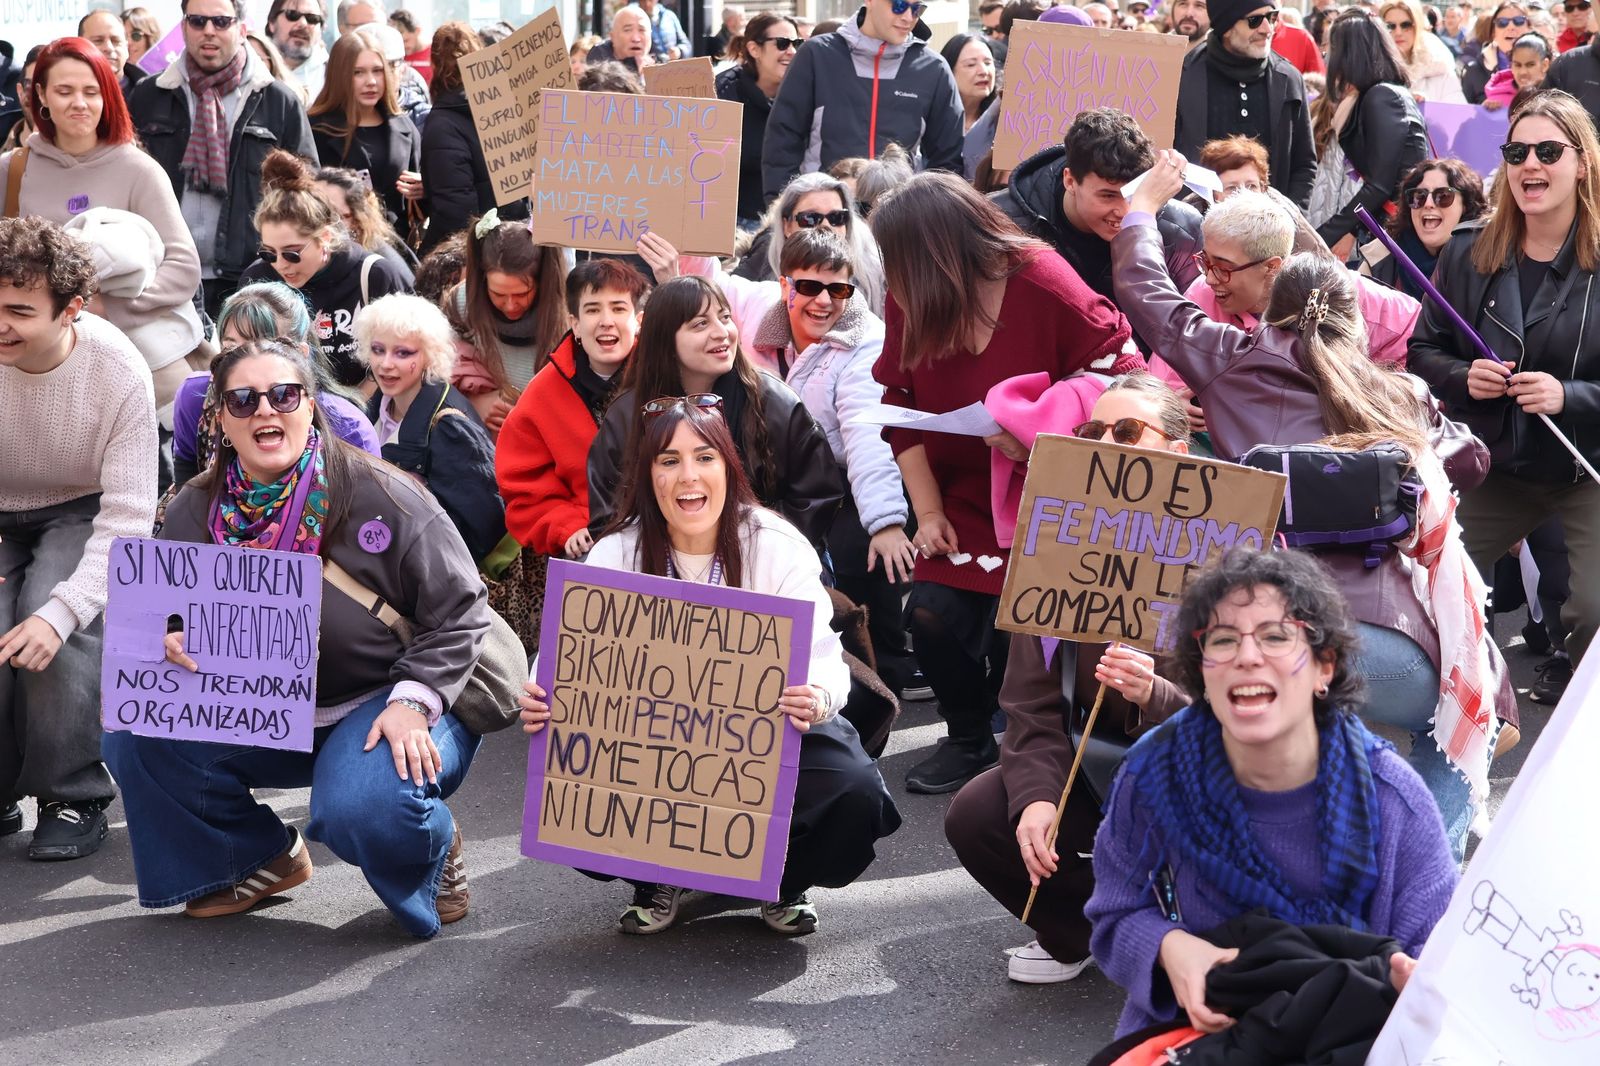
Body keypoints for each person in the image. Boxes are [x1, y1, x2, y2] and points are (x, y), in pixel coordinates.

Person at [1117, 151, 1513, 860]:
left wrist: (1142, 209)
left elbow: (1143, 285)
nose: (1210, 280)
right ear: (1352, 319)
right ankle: (1430, 882)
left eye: (1220, 269)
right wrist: (1401, 469)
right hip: (1400, 655)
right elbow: (1473, 460)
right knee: (1445, 733)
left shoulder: (1227, 359)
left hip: (1281, 645)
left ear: (1273, 298)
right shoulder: (1396, 393)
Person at [105, 338, 489, 937]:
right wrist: (167, 635)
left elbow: (463, 610)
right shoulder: (189, 511)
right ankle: (251, 857)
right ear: (220, 418)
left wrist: (415, 702)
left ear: (310, 405)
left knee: (364, 807)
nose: (266, 410)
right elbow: (149, 622)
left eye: (284, 394)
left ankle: (429, 840)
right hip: (263, 713)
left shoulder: (384, 494)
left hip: (386, 700)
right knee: (134, 732)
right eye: (243, 398)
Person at [520, 398, 899, 936]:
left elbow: (822, 654)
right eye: (668, 461)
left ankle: (783, 879)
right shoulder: (615, 553)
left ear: (728, 467)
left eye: (704, 457)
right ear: (647, 476)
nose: (688, 476)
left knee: (850, 787)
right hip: (649, 738)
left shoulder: (776, 545)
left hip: (769, 729)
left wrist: (817, 695)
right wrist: (541, 693)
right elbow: (566, 653)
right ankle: (654, 875)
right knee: (573, 771)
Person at [1085, 548, 1458, 1036]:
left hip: (1348, 1037)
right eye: (1222, 641)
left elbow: (1440, 964)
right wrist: (1169, 947)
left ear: (1325, 667)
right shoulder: (1154, 772)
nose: (1247, 656)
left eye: (1276, 637)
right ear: (1201, 671)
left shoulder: (1393, 800)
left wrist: (1408, 986)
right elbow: (1114, 915)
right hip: (1195, 1036)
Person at [872, 172, 1144, 795]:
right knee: (933, 614)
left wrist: (1044, 428)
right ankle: (967, 736)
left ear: (937, 252)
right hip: (960, 494)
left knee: (1023, 626)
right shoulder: (910, 296)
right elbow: (901, 407)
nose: (893, 278)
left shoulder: (1041, 279)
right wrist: (929, 514)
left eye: (900, 261)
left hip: (1053, 487)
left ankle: (1030, 745)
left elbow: (1125, 374)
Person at [945, 374, 1194, 985]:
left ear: (1179, 453)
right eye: (1093, 432)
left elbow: (1262, 713)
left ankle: (1197, 932)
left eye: (1128, 431)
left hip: (1206, 778)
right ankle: (1090, 933)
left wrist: (1156, 694)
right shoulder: (1056, 549)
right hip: (1101, 771)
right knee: (980, 813)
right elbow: (1028, 704)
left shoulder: (1235, 549)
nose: (1107, 443)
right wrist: (1034, 799)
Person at [645, 227, 918, 693]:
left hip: (833, 491)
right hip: (680, 548)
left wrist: (884, 522)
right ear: (784, 286)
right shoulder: (637, 410)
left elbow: (863, 439)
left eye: (839, 289)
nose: (824, 301)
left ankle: (884, 663)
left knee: (859, 559)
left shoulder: (828, 366)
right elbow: (707, 287)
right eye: (809, 287)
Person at [1407, 90, 1600, 672]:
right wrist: (1466, 376)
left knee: (1594, 609)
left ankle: (1575, 712)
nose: (1530, 165)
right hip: (1496, 466)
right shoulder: (1468, 252)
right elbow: (1422, 349)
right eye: (1517, 152)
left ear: (1582, 162)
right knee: (1421, 582)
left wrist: (1572, 396)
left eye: (1547, 150)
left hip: (1587, 467)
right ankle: (1464, 701)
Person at [0, 215, 158, 861]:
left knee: (52, 626)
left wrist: (64, 611)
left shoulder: (117, 369)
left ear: (71, 310)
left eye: (18, 310)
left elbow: (128, 517)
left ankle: (74, 792)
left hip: (83, 508)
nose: (0, 324)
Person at [0, 37, 204, 428]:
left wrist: (108, 308)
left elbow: (183, 268)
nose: (79, 102)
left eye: (91, 91)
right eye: (65, 91)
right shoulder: (13, 169)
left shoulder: (138, 169)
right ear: (39, 95)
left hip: (139, 368)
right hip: (38, 372)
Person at [586, 275, 844, 552]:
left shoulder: (777, 404)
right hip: (658, 567)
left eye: (725, 317)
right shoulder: (626, 416)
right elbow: (610, 515)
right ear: (664, 339)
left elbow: (816, 499)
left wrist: (748, 546)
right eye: (700, 324)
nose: (722, 332)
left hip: (765, 561)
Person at [129, 0, 318, 319]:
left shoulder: (277, 100)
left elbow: (304, 191)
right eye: (198, 21)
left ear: (242, 29)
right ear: (184, 26)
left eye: (221, 22)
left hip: (249, 276)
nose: (209, 31)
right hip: (163, 272)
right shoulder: (149, 95)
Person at [992, 108, 1203, 351]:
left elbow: (1192, 334)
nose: (1124, 211)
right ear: (1070, 181)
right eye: (1108, 196)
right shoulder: (999, 224)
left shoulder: (1180, 230)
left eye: (1135, 194)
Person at [498, 259, 649, 560]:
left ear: (639, 321)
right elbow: (524, 491)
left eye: (618, 308)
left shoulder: (662, 376)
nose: (606, 320)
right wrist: (566, 525)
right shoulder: (543, 393)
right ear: (575, 324)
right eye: (593, 309)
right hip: (584, 543)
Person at [169, 282, 381, 489]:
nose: (243, 364)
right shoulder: (195, 396)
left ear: (301, 354)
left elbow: (367, 511)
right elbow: (187, 473)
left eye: (264, 348)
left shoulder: (348, 429)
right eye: (231, 349)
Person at [238, 149, 411, 388]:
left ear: (325, 237)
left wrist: (353, 409)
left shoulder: (374, 274)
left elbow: (403, 356)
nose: (280, 264)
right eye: (268, 253)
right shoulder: (257, 281)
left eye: (292, 253)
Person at [762, 0, 965, 203]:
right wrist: (783, 208)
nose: (908, 17)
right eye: (899, 6)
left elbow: (947, 161)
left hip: (898, 218)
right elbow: (782, 140)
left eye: (917, 9)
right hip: (826, 216)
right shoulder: (816, 55)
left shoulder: (934, 68)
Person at [355, 294, 505, 564]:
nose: (386, 364)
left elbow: (479, 529)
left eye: (403, 353)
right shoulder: (370, 409)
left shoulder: (450, 426)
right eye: (378, 350)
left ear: (429, 354)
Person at [1173, 0, 1317, 209]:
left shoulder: (1288, 78)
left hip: (1272, 231)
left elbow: (1304, 164)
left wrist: (1290, 220)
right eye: (1255, 20)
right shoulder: (1184, 77)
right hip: (1197, 232)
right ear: (1226, 26)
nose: (1267, 29)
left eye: (1272, 17)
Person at [1315, 10, 1430, 251]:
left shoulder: (1382, 97)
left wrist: (1323, 236)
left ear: (1349, 53)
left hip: (1404, 232)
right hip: (1393, 226)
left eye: (1333, 47)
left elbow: (1379, 185)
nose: (1326, 55)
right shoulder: (1376, 96)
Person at [446, 212, 569, 433]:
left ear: (543, 282)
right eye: (498, 294)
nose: (511, 305)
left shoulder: (569, 311)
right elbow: (440, 369)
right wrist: (475, 401)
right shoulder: (461, 303)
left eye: (523, 294)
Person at [308, 30, 421, 229]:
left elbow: (420, 205)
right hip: (340, 246)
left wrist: (423, 189)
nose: (371, 81)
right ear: (339, 75)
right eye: (358, 72)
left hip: (397, 246)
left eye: (377, 71)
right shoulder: (316, 129)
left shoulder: (403, 126)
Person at [735, 172, 887, 318]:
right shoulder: (763, 264)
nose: (826, 226)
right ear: (786, 225)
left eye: (837, 217)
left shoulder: (875, 273)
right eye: (810, 219)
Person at [1359, 157, 1489, 299]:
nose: (1428, 203)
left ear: (1465, 205)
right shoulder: (1382, 255)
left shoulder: (1485, 261)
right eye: (1419, 196)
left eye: (1443, 196)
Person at [717, 13, 800, 228]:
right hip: (735, 221)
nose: (791, 51)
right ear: (754, 49)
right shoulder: (724, 90)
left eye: (797, 43)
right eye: (782, 43)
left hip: (790, 217)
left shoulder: (804, 89)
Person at [313, 165, 416, 283]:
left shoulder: (380, 267)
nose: (315, 221)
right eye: (312, 210)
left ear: (356, 220)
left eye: (330, 215)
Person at [940, 33, 999, 180]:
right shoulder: (933, 123)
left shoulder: (1003, 120)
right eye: (971, 65)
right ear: (949, 71)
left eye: (988, 62)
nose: (983, 72)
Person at [1383, 0, 1467, 102]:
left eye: (1406, 25)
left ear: (1418, 26)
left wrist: (1424, 108)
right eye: (1390, 26)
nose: (1398, 32)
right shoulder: (1373, 69)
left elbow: (1457, 114)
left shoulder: (1440, 65)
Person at [1464, 2, 1532, 103]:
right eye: (1502, 22)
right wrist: (1482, 111)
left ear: (1530, 29)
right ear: (1493, 33)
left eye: (1519, 21)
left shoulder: (1546, 68)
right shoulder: (1473, 70)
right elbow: (1464, 114)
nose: (1511, 26)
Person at [266, 0, 329, 100]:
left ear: (320, 30)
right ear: (272, 23)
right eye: (292, 15)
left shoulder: (333, 77)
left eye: (312, 18)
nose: (303, 23)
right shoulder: (253, 69)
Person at [79, 9, 148, 101]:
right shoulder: (63, 95)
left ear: (126, 47)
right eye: (98, 41)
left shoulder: (152, 96)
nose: (109, 48)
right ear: (80, 46)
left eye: (116, 41)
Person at [1487, 31, 1555, 107]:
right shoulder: (1496, 100)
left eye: (1530, 65)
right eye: (1517, 65)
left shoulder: (1558, 99)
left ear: (1544, 65)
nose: (1523, 72)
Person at [1198, 134, 1270, 199]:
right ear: (1212, 195)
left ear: (1262, 189)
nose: (1244, 196)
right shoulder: (1189, 213)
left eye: (1251, 186)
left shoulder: (1280, 211)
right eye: (1232, 188)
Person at [586, 5, 652, 75]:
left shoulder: (659, 59)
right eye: (627, 30)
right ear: (612, 37)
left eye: (642, 30)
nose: (636, 39)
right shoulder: (599, 56)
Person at [389, 9, 432, 85]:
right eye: (399, 43)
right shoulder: (394, 57)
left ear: (417, 31)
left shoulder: (434, 53)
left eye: (406, 41)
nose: (403, 46)